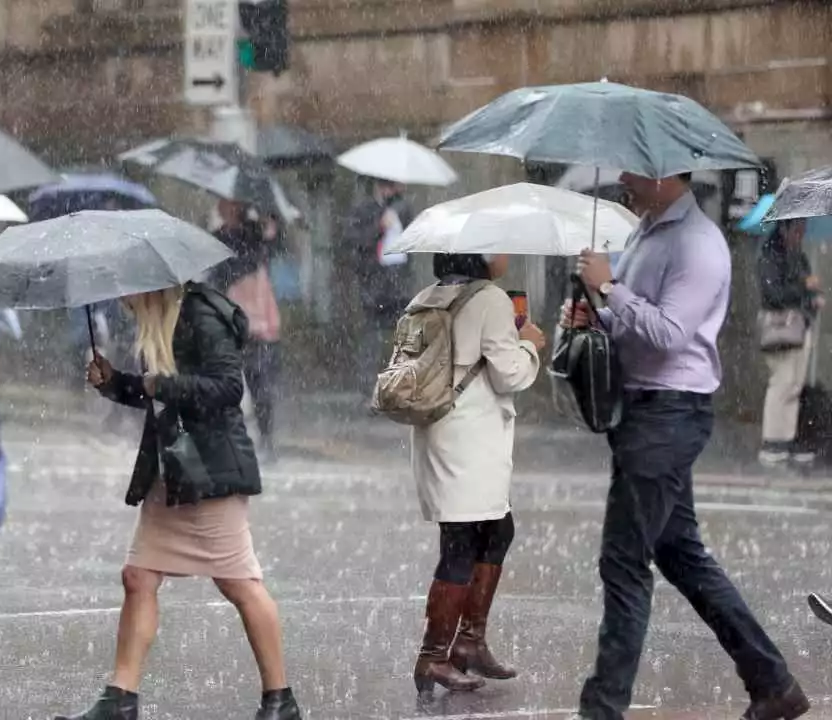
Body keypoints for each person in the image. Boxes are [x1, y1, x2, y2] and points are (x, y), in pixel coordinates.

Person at [566, 173, 808, 720]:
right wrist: (595, 315)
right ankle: (773, 684)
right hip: (643, 411)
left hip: (671, 413)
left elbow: (672, 332)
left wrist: (610, 288)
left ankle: (600, 710)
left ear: (665, 172)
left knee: (623, 561)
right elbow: (633, 321)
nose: (623, 178)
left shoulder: (699, 243)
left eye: (634, 169)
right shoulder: (643, 233)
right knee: (680, 555)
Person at [56, 283, 301, 720]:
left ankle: (280, 700)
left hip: (210, 472)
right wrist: (114, 383)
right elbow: (156, 392)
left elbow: (227, 388)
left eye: (130, 293)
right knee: (138, 576)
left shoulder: (200, 315)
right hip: (174, 472)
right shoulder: (162, 322)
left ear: (153, 286)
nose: (125, 301)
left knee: (239, 583)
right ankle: (120, 699)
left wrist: (160, 383)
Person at [408, 253, 544, 695]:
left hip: (440, 431)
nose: (506, 255)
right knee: (462, 542)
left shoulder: (425, 298)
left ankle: (468, 642)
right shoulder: (489, 299)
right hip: (471, 438)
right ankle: (432, 657)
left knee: (496, 530)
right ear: (481, 255)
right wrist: (529, 344)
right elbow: (510, 375)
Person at [210, 199, 282, 461]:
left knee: (259, 378)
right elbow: (218, 277)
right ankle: (228, 438)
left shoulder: (255, 233)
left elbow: (263, 256)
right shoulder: (217, 238)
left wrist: (269, 227)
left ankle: (266, 439)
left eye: (228, 203)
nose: (222, 207)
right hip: (227, 319)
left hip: (255, 320)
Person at [757, 218, 821, 467]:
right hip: (781, 327)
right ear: (785, 229)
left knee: (793, 385)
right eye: (797, 229)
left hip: (799, 325)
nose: (801, 234)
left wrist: (812, 297)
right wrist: (803, 287)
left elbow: (801, 291)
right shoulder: (770, 256)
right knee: (781, 383)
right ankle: (772, 440)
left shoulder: (797, 256)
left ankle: (785, 438)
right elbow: (773, 293)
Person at [341, 179, 414, 386]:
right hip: (374, 284)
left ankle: (403, 385)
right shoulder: (364, 210)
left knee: (405, 339)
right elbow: (354, 241)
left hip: (399, 283)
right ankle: (368, 389)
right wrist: (379, 227)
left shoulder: (404, 208)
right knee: (370, 340)